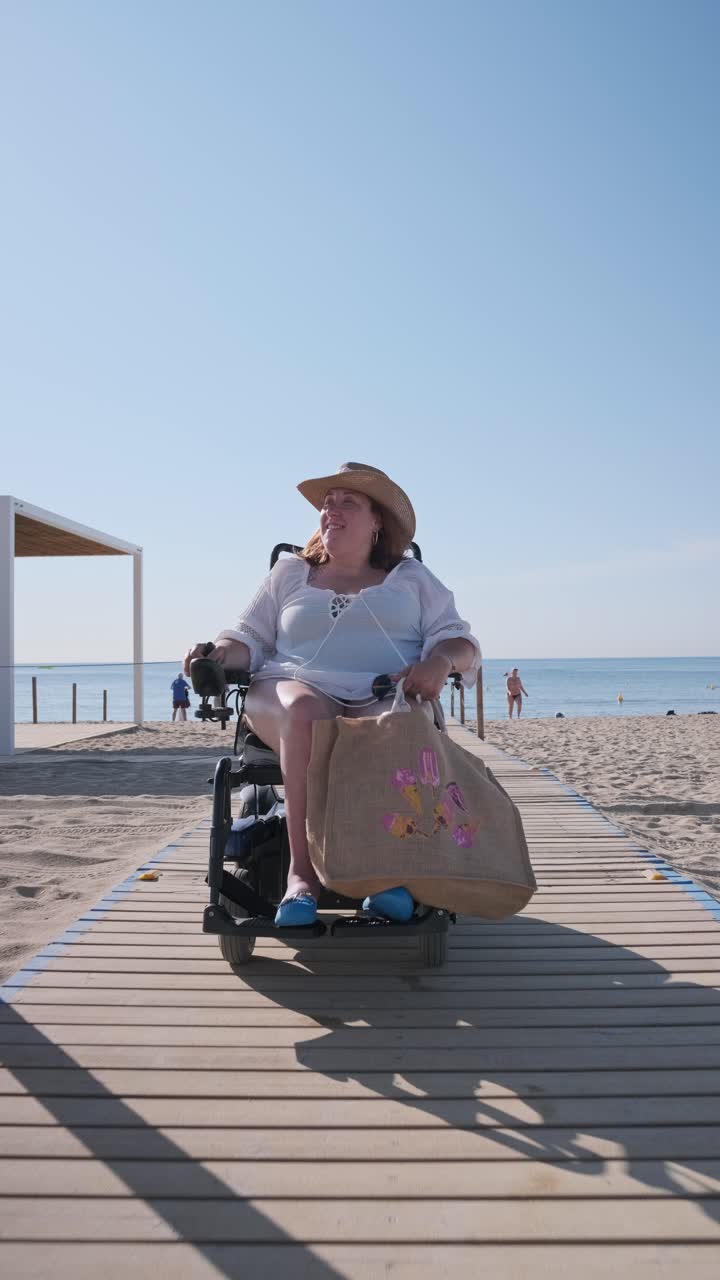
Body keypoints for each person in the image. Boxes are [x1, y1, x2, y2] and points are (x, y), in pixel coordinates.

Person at [184, 462, 480, 927]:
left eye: (348, 502)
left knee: (395, 720)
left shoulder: (413, 579)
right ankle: (301, 877)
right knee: (304, 712)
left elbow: (460, 644)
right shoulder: (290, 573)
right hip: (292, 687)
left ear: (378, 520)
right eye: (328, 502)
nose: (332, 510)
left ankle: (387, 875)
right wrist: (217, 654)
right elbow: (248, 638)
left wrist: (439, 663)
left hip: (385, 691)